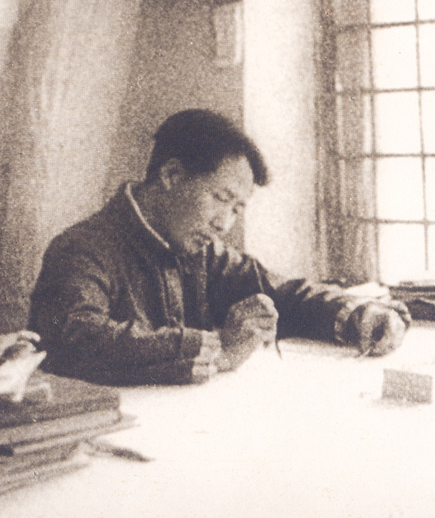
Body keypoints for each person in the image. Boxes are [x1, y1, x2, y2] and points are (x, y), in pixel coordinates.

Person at [29, 108, 411, 385]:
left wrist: (359, 314)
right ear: (171, 175)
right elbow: (75, 339)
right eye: (220, 198)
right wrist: (216, 348)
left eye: (237, 209)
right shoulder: (81, 249)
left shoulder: (202, 253)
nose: (224, 224)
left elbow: (281, 293)